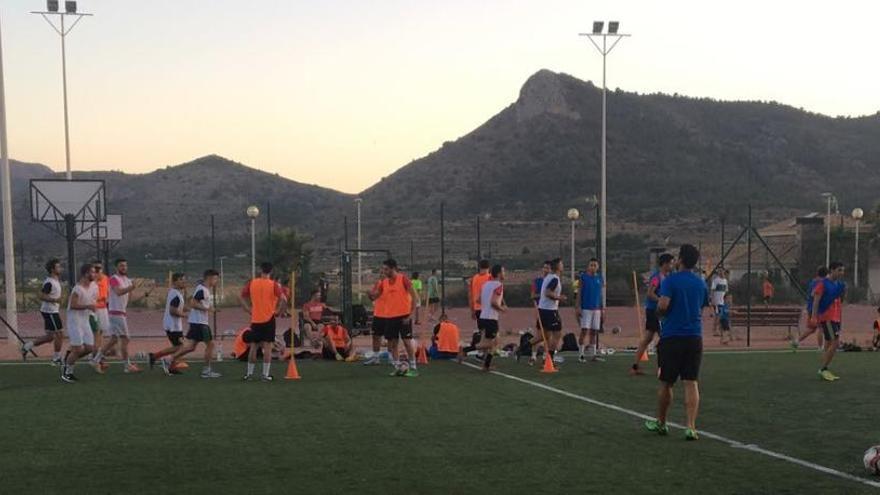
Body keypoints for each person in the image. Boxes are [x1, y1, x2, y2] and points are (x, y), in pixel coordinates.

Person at [644, 244, 707, 441]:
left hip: (672, 337)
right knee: (691, 382)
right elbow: (702, 306)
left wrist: (660, 315)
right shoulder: (701, 283)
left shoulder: (671, 281)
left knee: (666, 383)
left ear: (680, 259)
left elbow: (663, 305)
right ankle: (691, 427)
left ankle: (662, 423)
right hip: (694, 337)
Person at [162, 269, 222, 378]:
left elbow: (193, 302)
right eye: (216, 279)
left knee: (190, 347)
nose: (217, 281)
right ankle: (206, 371)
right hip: (200, 323)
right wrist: (207, 308)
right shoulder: (203, 290)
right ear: (210, 278)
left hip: (197, 322)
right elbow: (193, 303)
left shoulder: (203, 289)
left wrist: (207, 308)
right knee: (211, 344)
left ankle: (168, 360)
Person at [92, 258, 146, 373]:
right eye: (121, 266)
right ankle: (127, 366)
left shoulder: (127, 280)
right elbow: (119, 292)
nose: (124, 268)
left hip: (120, 312)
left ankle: (96, 359)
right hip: (115, 312)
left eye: (125, 266)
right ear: (116, 267)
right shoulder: (114, 279)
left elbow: (130, 299)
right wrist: (132, 287)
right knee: (126, 338)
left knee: (114, 340)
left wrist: (144, 295)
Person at [367, 258, 419, 376]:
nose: (384, 271)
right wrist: (370, 295)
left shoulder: (403, 279)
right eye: (383, 269)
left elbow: (414, 296)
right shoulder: (384, 282)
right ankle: (397, 367)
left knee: (406, 341)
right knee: (393, 343)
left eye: (386, 269)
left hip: (404, 316)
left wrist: (410, 315)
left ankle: (413, 367)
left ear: (393, 269)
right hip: (390, 317)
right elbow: (376, 296)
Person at [240, 262, 287, 381]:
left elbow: (241, 296)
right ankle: (265, 375)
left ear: (260, 270)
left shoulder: (252, 282)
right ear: (271, 271)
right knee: (267, 347)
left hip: (255, 319)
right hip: (268, 318)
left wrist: (248, 309)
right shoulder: (274, 284)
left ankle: (249, 374)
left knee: (254, 346)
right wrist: (278, 311)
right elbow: (283, 299)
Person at [631, 253, 674, 376]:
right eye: (670, 263)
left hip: (659, 312)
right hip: (654, 311)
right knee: (663, 339)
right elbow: (650, 293)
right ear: (665, 264)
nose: (671, 265)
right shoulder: (656, 277)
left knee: (648, 338)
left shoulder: (668, 277)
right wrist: (661, 300)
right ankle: (661, 367)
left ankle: (635, 366)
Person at [21, 258, 65, 365]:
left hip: (52, 311)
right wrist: (55, 300)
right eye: (58, 267)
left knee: (50, 337)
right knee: (59, 334)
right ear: (52, 269)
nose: (60, 268)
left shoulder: (55, 281)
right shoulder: (49, 282)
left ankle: (27, 346)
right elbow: (41, 295)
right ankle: (56, 358)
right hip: (50, 312)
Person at [808, 261, 846, 381]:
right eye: (839, 270)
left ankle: (824, 368)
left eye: (842, 270)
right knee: (835, 342)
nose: (841, 273)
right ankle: (823, 369)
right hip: (827, 318)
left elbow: (840, 300)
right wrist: (814, 317)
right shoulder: (823, 284)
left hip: (836, 317)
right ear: (832, 270)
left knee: (829, 344)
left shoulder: (839, 284)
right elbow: (816, 301)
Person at [524, 258, 566, 366]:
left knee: (544, 336)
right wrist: (559, 297)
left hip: (543, 310)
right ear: (557, 266)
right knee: (557, 334)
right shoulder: (554, 279)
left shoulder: (548, 277)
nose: (563, 266)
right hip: (550, 311)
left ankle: (522, 348)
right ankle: (549, 359)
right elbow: (548, 292)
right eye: (561, 264)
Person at [61, 263, 99, 383]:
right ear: (86, 273)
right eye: (92, 272)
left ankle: (68, 360)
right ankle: (67, 372)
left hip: (85, 319)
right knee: (78, 349)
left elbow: (93, 302)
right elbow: (73, 305)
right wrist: (88, 306)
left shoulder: (94, 286)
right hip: (75, 320)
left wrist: (92, 311)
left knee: (89, 348)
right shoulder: (77, 289)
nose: (95, 274)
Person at [149, 272, 189, 371]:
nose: (184, 281)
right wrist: (186, 315)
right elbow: (173, 311)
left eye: (184, 279)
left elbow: (179, 308)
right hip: (173, 325)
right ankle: (164, 360)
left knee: (179, 346)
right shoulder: (175, 294)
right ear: (175, 282)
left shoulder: (176, 293)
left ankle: (163, 361)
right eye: (181, 280)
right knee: (181, 347)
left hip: (173, 324)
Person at [473, 264, 507, 371]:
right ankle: (466, 349)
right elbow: (494, 302)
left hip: (483, 316)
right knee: (492, 343)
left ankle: (486, 365)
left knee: (492, 342)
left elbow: (478, 300)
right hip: (491, 318)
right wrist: (502, 309)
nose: (504, 273)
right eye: (503, 271)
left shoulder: (486, 284)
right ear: (498, 274)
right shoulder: (499, 285)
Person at [576, 258, 604, 363]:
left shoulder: (600, 278)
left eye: (595, 265)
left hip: (596, 309)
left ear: (598, 267)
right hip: (586, 308)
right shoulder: (583, 278)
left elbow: (600, 294)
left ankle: (593, 355)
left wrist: (602, 308)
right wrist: (577, 307)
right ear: (588, 266)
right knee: (584, 331)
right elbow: (579, 293)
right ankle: (581, 354)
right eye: (591, 265)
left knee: (594, 331)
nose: (593, 267)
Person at [793, 266, 829, 349]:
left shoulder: (813, 282)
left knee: (812, 328)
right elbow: (816, 294)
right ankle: (821, 347)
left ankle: (797, 341)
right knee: (821, 327)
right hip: (817, 309)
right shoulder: (821, 283)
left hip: (810, 307)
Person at [91, 261, 111, 368]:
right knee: (96, 333)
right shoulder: (91, 280)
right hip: (94, 309)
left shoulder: (105, 278)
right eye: (96, 268)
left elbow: (107, 292)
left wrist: (106, 301)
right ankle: (95, 356)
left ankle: (99, 354)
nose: (98, 271)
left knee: (102, 332)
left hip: (103, 308)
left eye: (100, 268)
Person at [709, 269, 729, 337]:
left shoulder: (725, 281)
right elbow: (712, 290)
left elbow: (726, 291)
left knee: (721, 316)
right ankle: (715, 330)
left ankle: (719, 330)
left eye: (722, 271)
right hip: (717, 301)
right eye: (720, 271)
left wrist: (726, 301)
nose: (721, 273)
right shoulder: (716, 280)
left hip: (722, 301)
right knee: (718, 316)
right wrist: (712, 300)